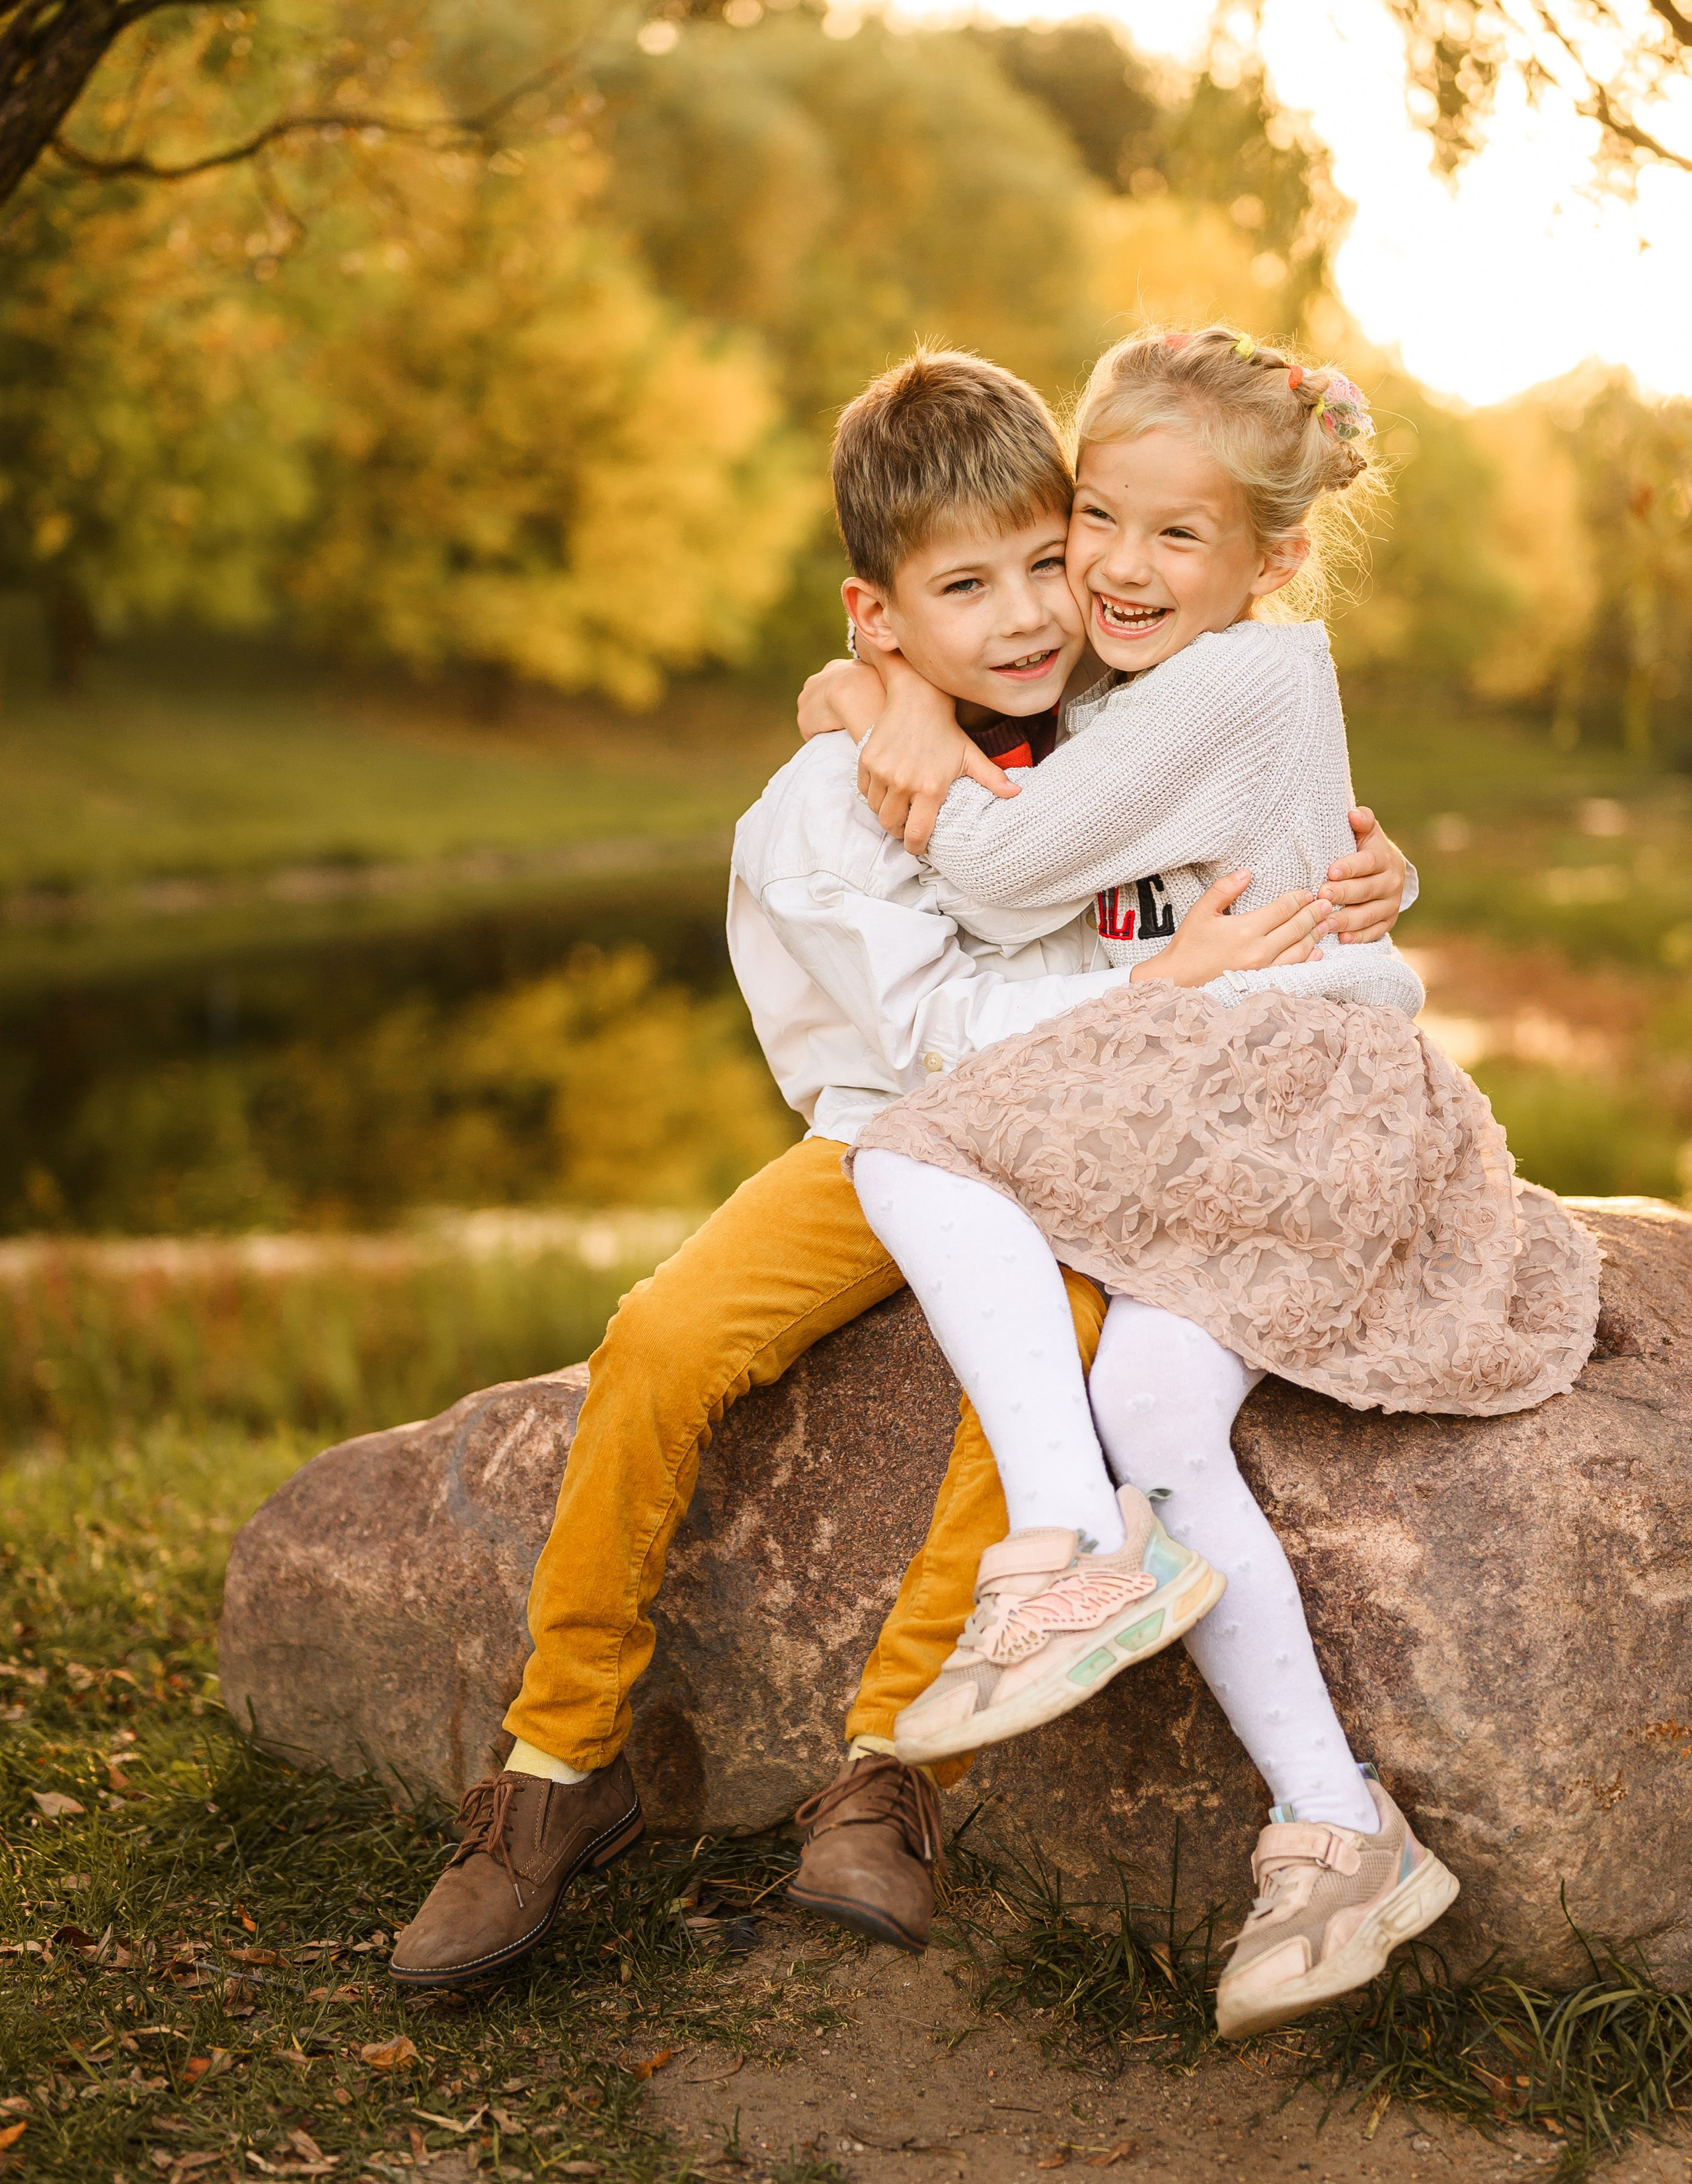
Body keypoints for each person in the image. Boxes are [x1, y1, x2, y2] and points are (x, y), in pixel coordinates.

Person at [388, 348, 1414, 1990]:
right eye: (963, 590)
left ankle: (893, 1774)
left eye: (1040, 564)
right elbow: (938, 1043)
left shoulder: (1108, 714)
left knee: (1061, 1365)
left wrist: (1364, 880)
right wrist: (894, 719)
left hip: (1077, 1140)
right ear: (878, 613)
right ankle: (555, 1764)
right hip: (891, 1125)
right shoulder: (827, 800)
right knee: (660, 1340)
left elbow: (1259, 812)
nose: (1025, 614)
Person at [811, 324, 1600, 2036]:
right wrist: (871, 685)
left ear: (1274, 557)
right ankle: (1335, 1827)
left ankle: (1068, 1543)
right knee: (1153, 1392)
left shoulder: (1242, 675)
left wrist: (913, 752)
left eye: (1181, 535)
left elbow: (1017, 866)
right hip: (1259, 1111)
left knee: (908, 1141)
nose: (1117, 565)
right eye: (1099, 515)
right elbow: (914, 693)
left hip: (1291, 1100)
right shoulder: (1140, 681)